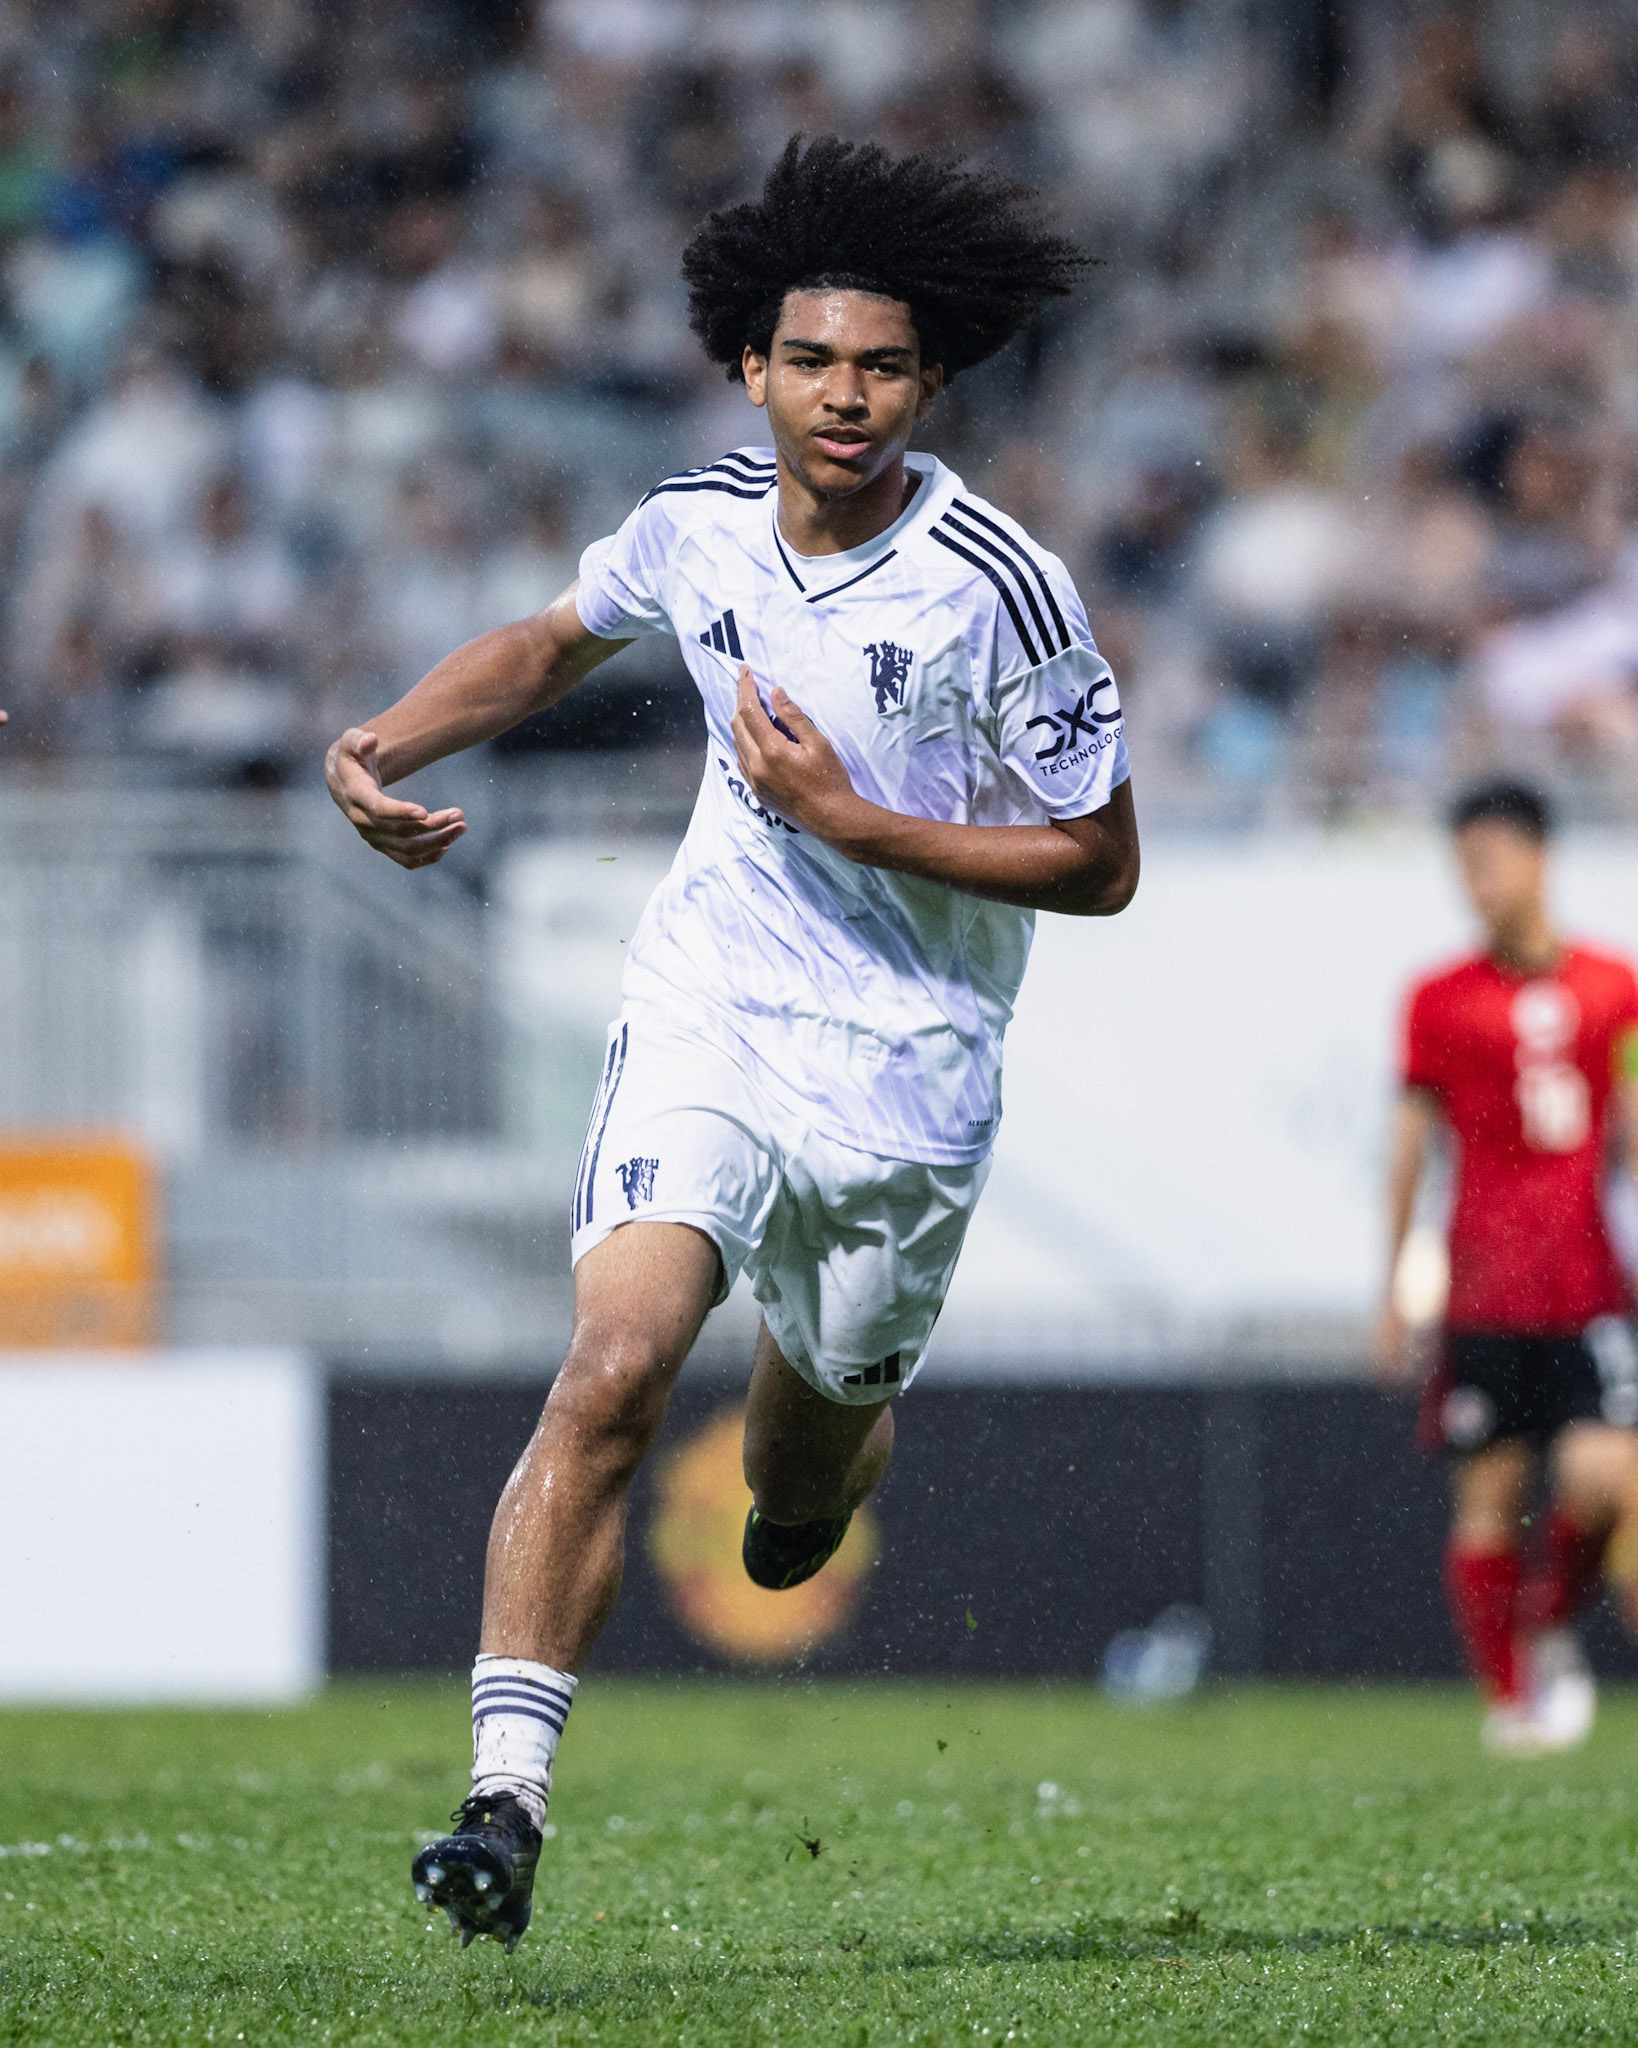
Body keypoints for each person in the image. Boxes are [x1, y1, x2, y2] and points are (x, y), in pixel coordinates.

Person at [324, 137, 1137, 1950]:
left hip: (908, 1074)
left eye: (882, 368)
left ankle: (826, 1444)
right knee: (612, 1364)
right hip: (709, 1003)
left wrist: (853, 821)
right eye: (812, 360)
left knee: (788, 1499)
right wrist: (378, 744)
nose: (845, 396)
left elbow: (1099, 861)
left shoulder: (998, 585)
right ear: (748, 366)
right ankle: (502, 1805)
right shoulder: (694, 519)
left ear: (928, 385)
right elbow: (549, 642)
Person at [1375, 778, 1638, 1754]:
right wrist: (1394, 1290)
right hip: (1485, 1289)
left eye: (1489, 861)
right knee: (1488, 1496)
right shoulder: (1437, 999)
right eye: (1464, 867)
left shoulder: (1615, 986)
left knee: (1608, 1478)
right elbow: (1410, 1149)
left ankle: (1544, 1622)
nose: (1476, 883)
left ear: (1539, 858)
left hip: (1589, 1285)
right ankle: (1510, 1703)